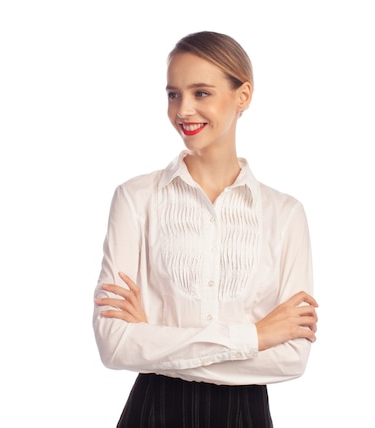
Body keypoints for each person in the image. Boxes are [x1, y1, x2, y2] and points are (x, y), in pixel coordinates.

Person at [93, 31, 318, 427]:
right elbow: (115, 345)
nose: (183, 110)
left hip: (244, 417)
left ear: (243, 95)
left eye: (201, 93)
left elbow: (291, 357)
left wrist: (154, 339)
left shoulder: (285, 214)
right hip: (153, 413)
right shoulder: (135, 199)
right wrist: (255, 336)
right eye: (173, 94)